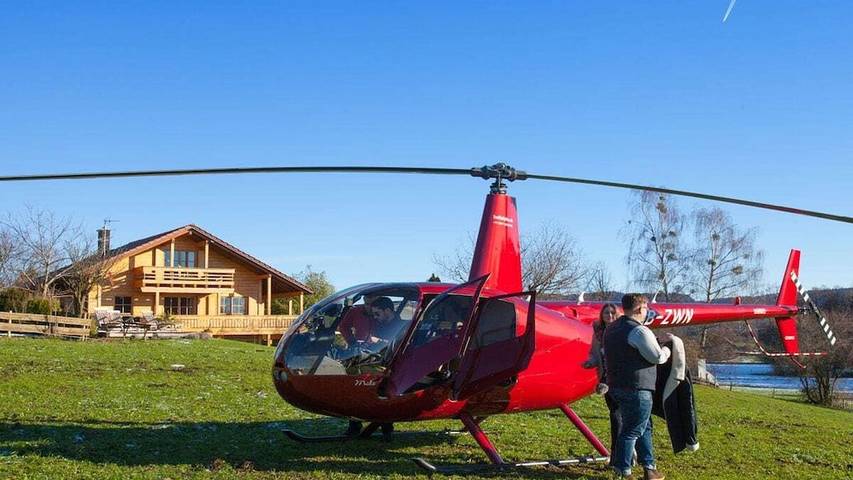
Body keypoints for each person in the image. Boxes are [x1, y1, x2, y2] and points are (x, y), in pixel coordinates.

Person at [604, 294, 671, 480]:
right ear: (640, 309)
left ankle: (650, 467)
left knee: (643, 425)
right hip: (637, 387)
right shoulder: (639, 331)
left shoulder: (611, 329)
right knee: (632, 430)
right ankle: (623, 471)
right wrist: (667, 348)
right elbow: (656, 357)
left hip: (616, 386)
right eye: (646, 308)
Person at [582, 303, 621, 462]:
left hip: (621, 379)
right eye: (606, 313)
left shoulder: (621, 332)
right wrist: (590, 362)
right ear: (602, 315)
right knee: (615, 415)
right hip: (605, 379)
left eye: (612, 313)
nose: (610, 316)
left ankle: (621, 455)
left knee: (618, 416)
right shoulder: (597, 332)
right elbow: (594, 353)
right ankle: (619, 454)